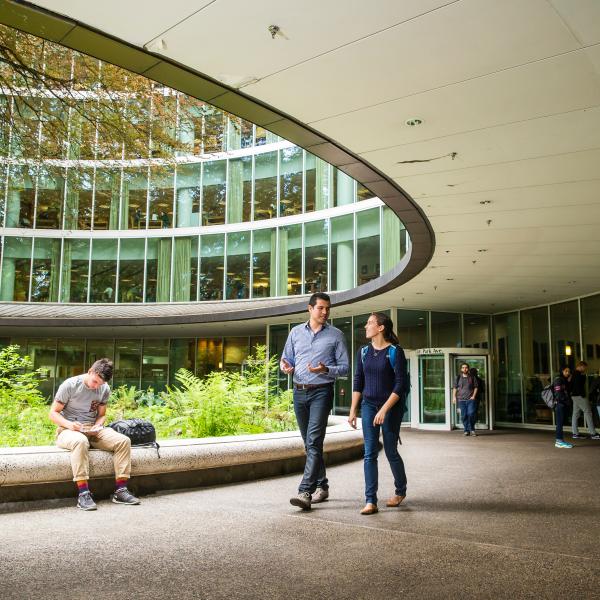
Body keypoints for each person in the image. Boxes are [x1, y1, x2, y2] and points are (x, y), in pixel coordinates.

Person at [281, 292, 349, 510]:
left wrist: (326, 369)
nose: (325, 312)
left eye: (328, 308)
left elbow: (345, 367)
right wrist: (286, 367)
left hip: (322, 391)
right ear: (310, 309)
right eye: (320, 308)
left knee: (313, 441)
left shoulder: (336, 335)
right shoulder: (295, 332)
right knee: (309, 443)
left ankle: (305, 492)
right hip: (299, 392)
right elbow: (286, 359)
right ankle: (323, 485)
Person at [49, 358, 141, 510]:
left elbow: (102, 414)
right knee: (80, 442)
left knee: (123, 441)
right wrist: (70, 425)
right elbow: (53, 413)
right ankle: (83, 493)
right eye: (94, 381)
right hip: (68, 429)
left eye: (100, 384)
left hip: (93, 429)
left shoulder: (104, 388)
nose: (96, 386)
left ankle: (121, 490)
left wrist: (98, 426)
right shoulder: (70, 385)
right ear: (90, 371)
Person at [348, 312, 408, 515]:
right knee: (369, 452)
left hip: (390, 407)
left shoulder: (395, 352)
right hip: (368, 405)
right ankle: (370, 500)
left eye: (370, 323)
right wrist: (353, 410)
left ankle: (400, 491)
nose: (366, 326)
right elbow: (358, 381)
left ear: (381, 327)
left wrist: (384, 409)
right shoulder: (363, 351)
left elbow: (400, 385)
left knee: (390, 451)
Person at [570, 361, 600, 439]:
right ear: (581, 366)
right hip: (579, 396)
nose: (585, 369)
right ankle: (593, 433)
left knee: (575, 414)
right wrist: (583, 395)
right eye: (585, 368)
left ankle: (575, 433)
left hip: (574, 396)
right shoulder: (578, 375)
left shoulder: (573, 374)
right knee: (588, 412)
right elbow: (578, 386)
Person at [452, 362, 479, 436]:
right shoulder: (458, 377)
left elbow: (476, 387)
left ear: (468, 368)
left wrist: (473, 396)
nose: (465, 369)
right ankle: (466, 430)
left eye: (466, 367)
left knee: (471, 414)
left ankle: (472, 429)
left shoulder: (472, 377)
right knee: (464, 415)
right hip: (461, 400)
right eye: (463, 367)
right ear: (461, 369)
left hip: (470, 399)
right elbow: (454, 388)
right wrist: (454, 397)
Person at [553, 366, 573, 448]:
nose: (568, 373)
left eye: (569, 371)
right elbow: (558, 393)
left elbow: (567, 390)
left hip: (562, 404)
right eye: (566, 371)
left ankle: (560, 440)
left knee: (560, 423)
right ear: (562, 371)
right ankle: (559, 441)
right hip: (560, 404)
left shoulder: (563, 380)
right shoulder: (558, 379)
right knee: (559, 423)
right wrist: (564, 400)